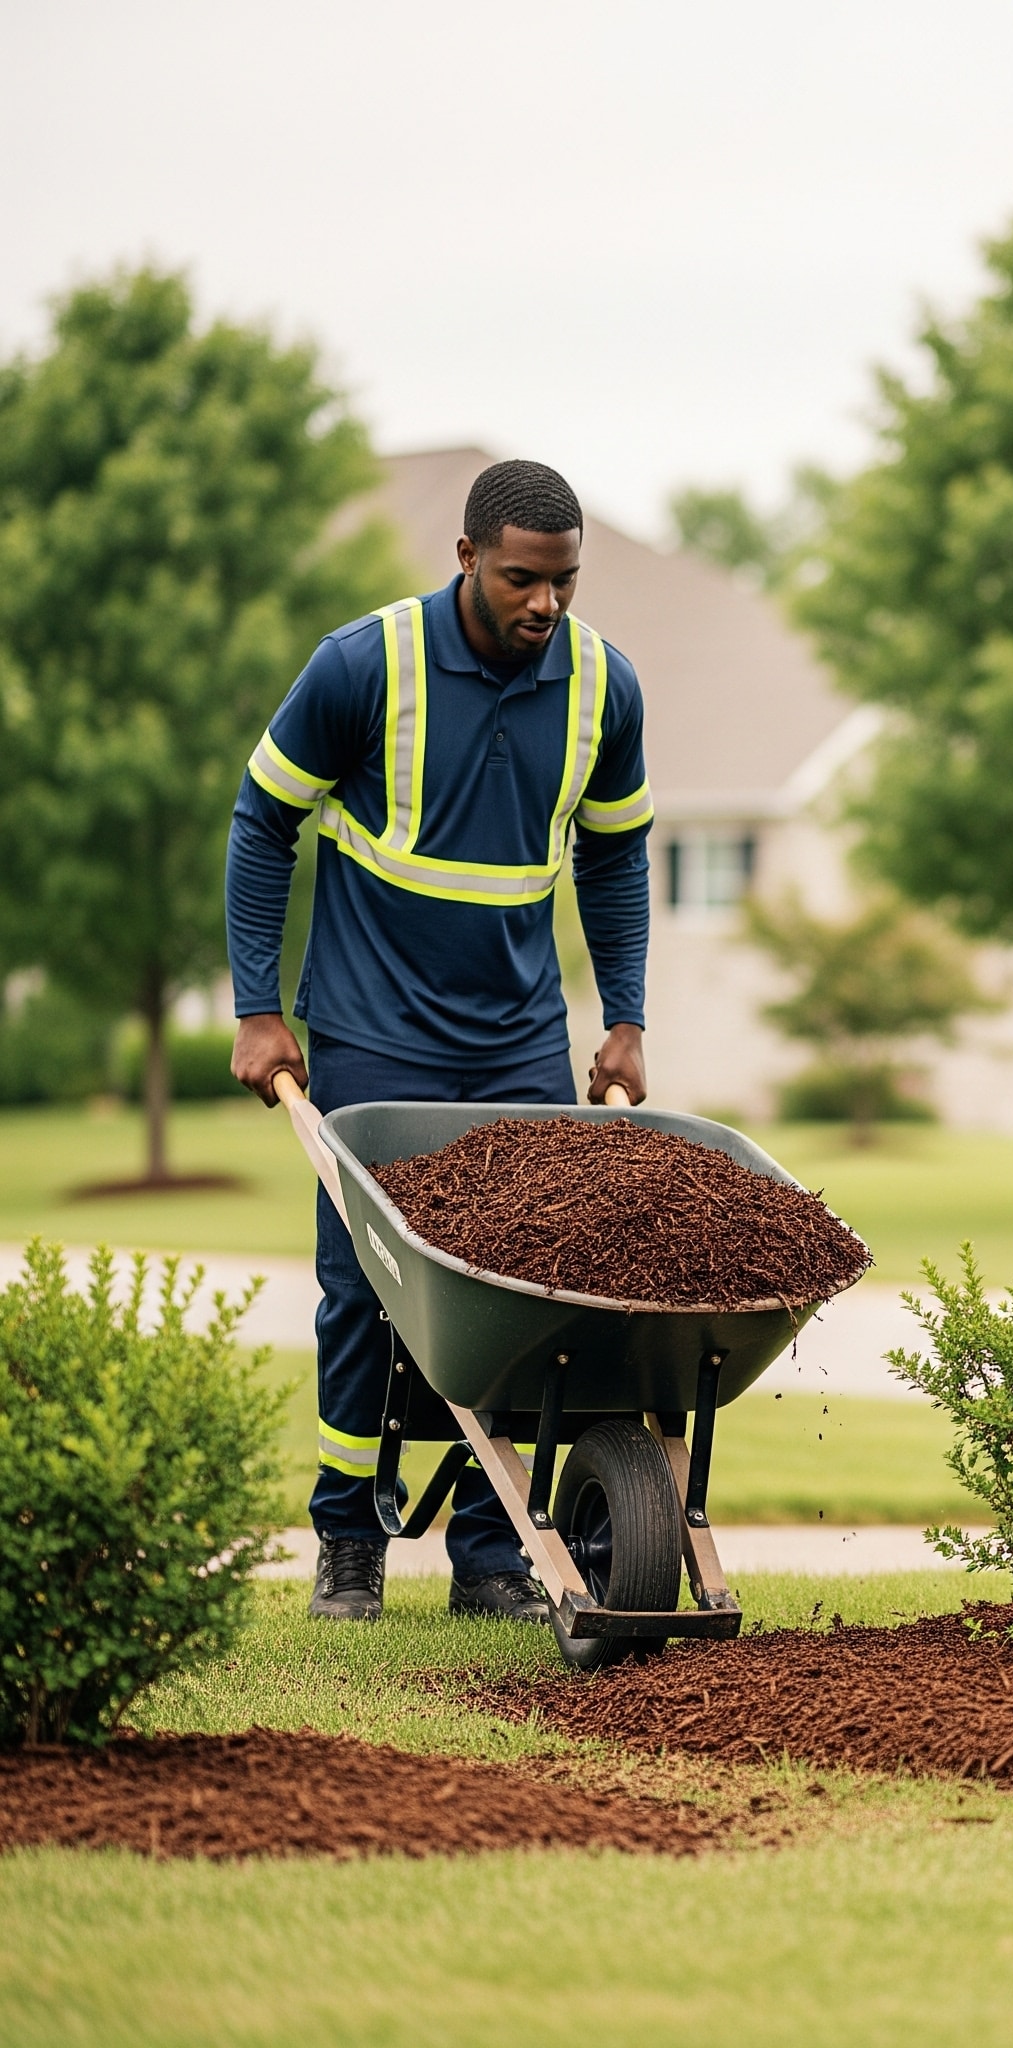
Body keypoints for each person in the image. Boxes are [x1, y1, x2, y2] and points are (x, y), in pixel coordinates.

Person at [226, 459, 654, 1623]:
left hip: (516, 1037)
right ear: (466, 556)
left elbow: (614, 856)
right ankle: (347, 1539)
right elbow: (263, 820)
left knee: (519, 1297)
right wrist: (258, 1006)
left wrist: (623, 1018)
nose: (544, 605)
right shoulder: (364, 665)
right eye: (522, 578)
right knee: (362, 1292)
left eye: (563, 582)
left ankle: (489, 1552)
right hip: (370, 1031)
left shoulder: (603, 686)